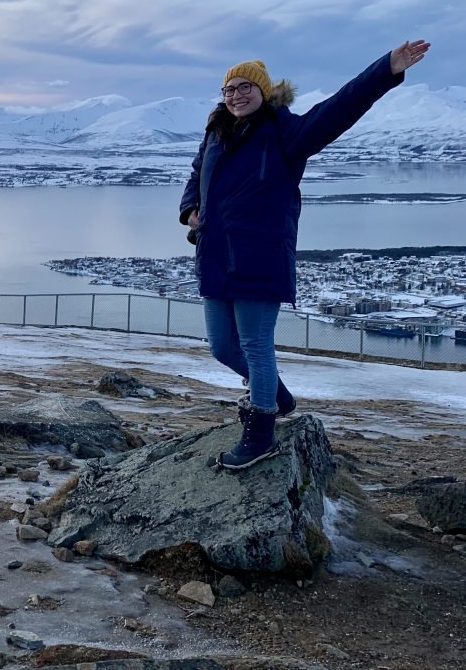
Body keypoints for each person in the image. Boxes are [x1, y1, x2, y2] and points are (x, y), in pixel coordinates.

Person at [178, 40, 430, 471]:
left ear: (264, 91)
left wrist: (385, 70)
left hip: (259, 257)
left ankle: (260, 434)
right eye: (229, 88)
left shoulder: (285, 133)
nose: (236, 95)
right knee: (222, 347)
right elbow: (197, 172)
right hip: (216, 255)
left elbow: (340, 108)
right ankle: (276, 393)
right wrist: (190, 209)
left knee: (256, 346)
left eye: (245, 88)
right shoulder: (216, 132)